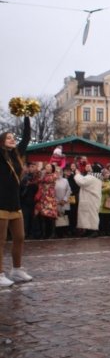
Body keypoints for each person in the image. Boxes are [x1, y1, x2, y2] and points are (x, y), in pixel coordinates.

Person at [0, 116, 34, 287]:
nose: (12, 139)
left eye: (13, 137)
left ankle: (17, 269)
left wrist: (27, 115)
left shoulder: (17, 154)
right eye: (8, 137)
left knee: (20, 237)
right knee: (0, 240)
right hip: (1, 202)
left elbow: (26, 137)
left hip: (15, 203)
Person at [74, 160, 102, 238]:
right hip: (91, 199)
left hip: (91, 199)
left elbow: (82, 182)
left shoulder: (92, 178)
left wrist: (77, 175)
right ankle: (89, 231)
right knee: (88, 216)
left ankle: (94, 231)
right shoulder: (96, 177)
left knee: (91, 215)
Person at [54, 166, 72, 238]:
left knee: (64, 217)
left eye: (59, 172)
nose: (58, 173)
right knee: (57, 217)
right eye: (56, 171)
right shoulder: (53, 180)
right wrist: (57, 201)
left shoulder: (65, 180)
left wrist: (64, 199)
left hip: (64, 202)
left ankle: (64, 232)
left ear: (61, 172)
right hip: (56, 202)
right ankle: (57, 233)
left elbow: (69, 190)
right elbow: (51, 192)